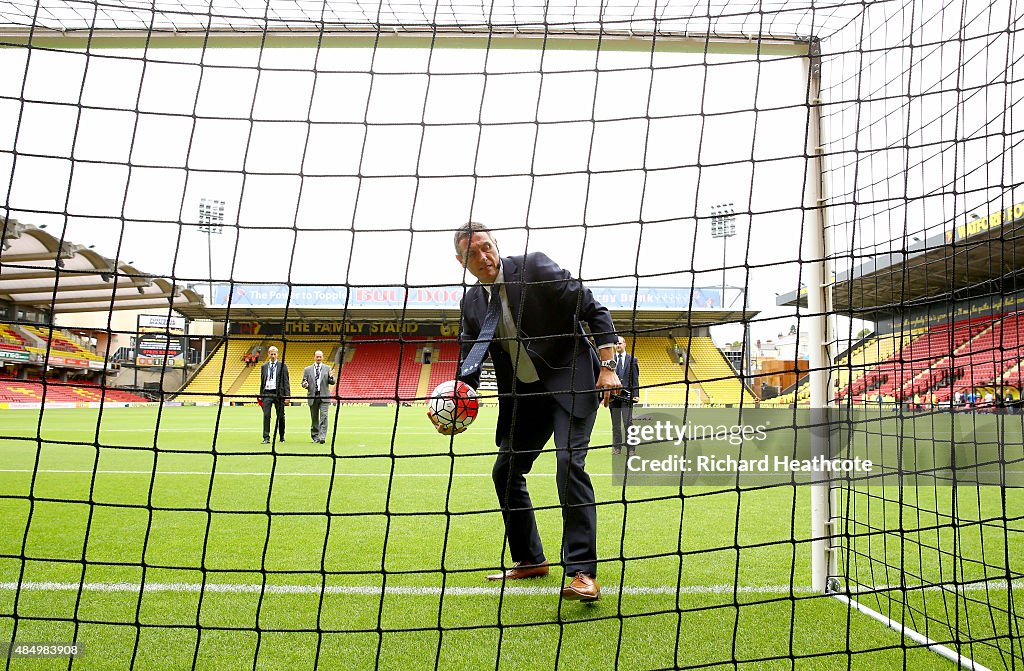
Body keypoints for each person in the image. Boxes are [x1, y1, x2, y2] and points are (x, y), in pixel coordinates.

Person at [430, 221, 620, 603]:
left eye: (486, 247)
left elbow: (591, 307)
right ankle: (530, 559)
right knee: (505, 471)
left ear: (495, 244)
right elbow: (469, 357)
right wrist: (454, 400)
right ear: (459, 260)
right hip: (525, 396)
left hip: (571, 380)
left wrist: (608, 365)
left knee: (568, 464)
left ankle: (582, 572)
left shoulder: (534, 268)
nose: (483, 257)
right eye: (472, 253)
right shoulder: (470, 302)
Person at [609, 335, 640, 456]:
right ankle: (617, 448)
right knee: (616, 425)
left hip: (627, 397)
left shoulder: (632, 360)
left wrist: (636, 394)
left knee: (628, 423)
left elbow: (635, 379)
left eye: (620, 343)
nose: (618, 345)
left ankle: (631, 448)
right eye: (616, 343)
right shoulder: (610, 360)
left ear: (625, 344)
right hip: (614, 397)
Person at [302, 350, 336, 444]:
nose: (319, 358)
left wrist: (332, 377)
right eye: (317, 356)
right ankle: (315, 436)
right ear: (314, 357)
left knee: (324, 416)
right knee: (314, 418)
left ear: (323, 357)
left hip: (324, 396)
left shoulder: (327, 368)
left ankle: (322, 437)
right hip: (313, 396)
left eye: (320, 356)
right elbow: (304, 382)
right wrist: (305, 384)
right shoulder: (307, 369)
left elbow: (332, 382)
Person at [258, 346, 290, 444]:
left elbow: (286, 382)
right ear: (268, 354)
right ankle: (266, 437)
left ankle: (281, 436)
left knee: (280, 416)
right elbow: (262, 381)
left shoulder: (282, 366)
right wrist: (261, 395)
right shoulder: (264, 366)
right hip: (267, 393)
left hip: (278, 394)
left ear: (277, 354)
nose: (273, 356)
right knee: (266, 415)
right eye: (271, 354)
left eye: (274, 354)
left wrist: (287, 396)